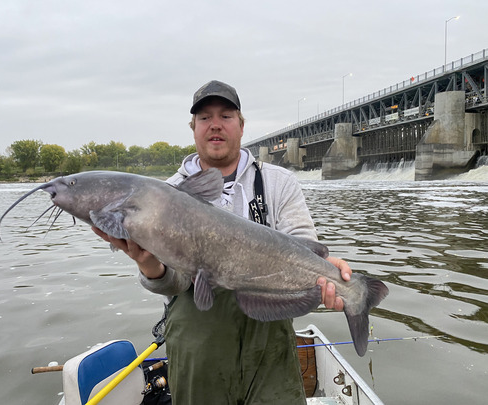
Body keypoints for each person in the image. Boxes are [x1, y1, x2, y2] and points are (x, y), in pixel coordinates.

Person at [93, 80, 352, 404]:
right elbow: (175, 282)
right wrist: (148, 265)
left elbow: (302, 243)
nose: (215, 124)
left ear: (241, 125)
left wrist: (324, 274)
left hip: (269, 343)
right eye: (204, 117)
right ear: (193, 128)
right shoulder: (162, 195)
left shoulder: (277, 181)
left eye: (226, 115)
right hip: (197, 342)